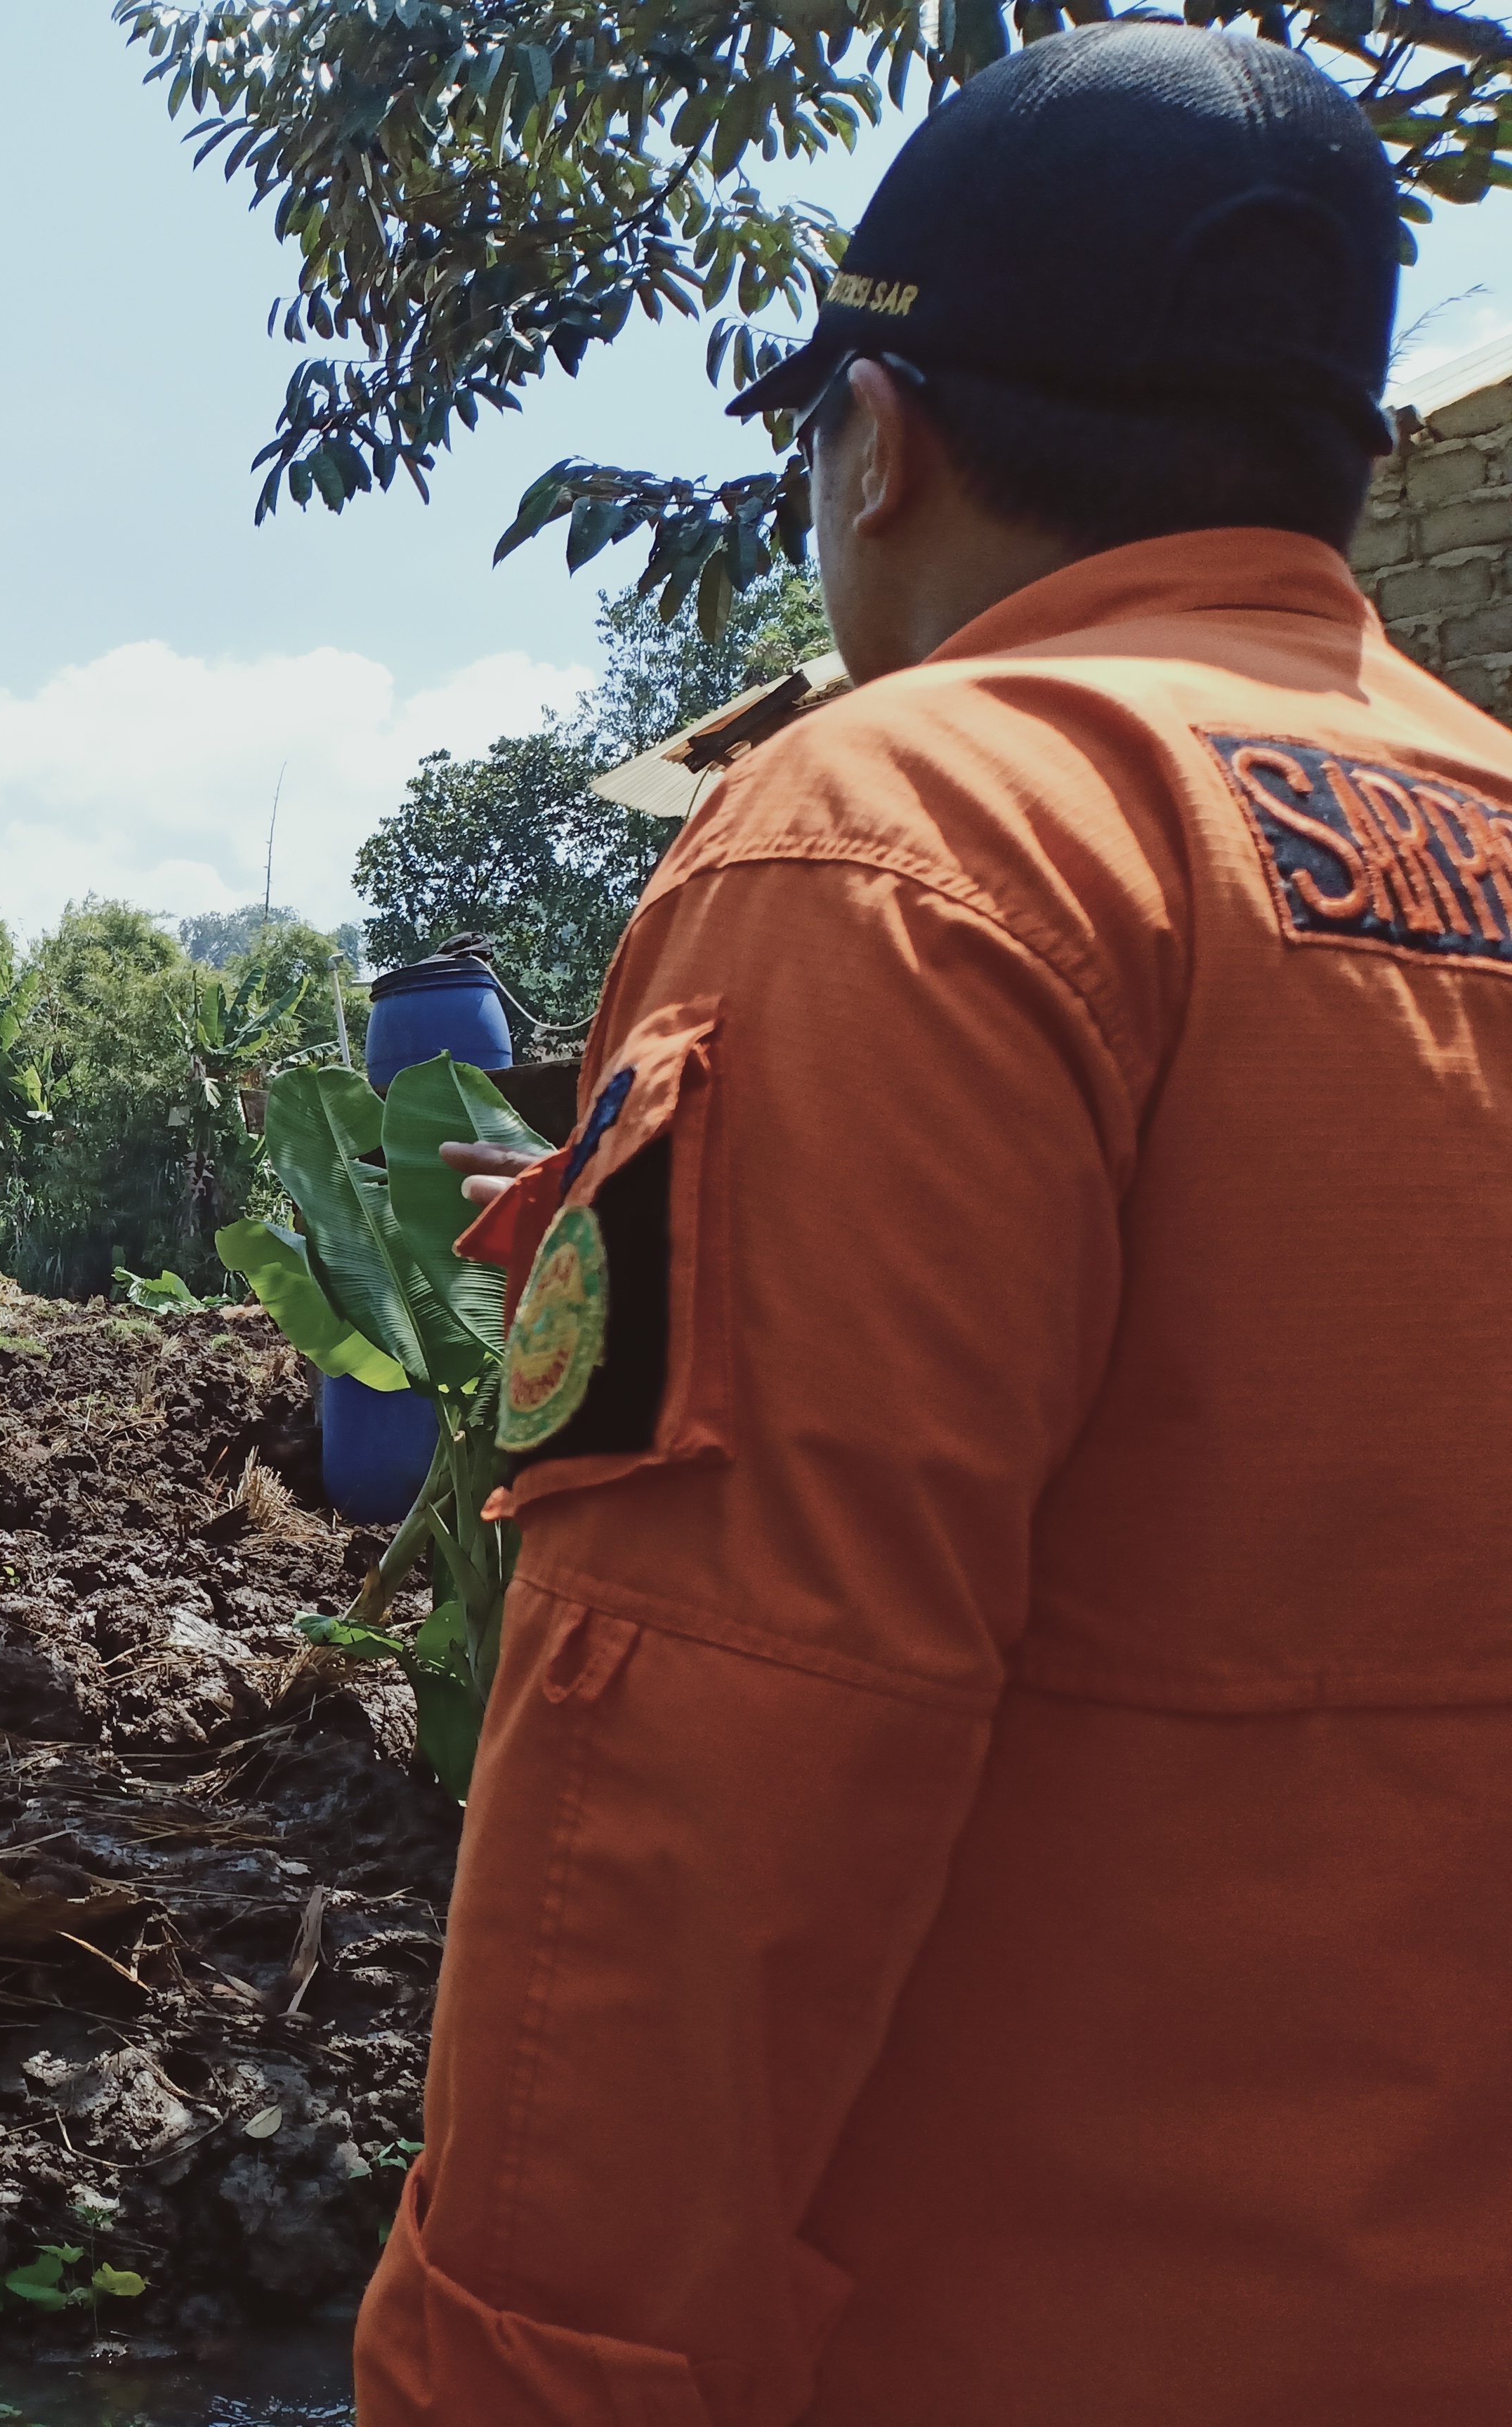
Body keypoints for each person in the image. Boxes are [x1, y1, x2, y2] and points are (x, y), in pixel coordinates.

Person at [353, 23, 1512, 2424]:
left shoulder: (912, 834)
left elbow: (706, 1766)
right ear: (1351, 458)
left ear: (877, 442)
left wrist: (504, 2377)